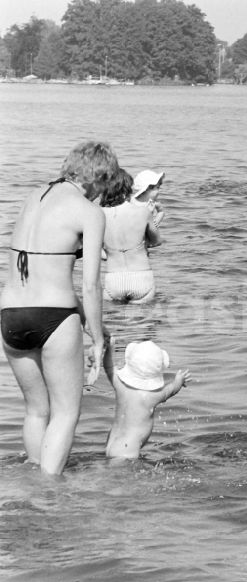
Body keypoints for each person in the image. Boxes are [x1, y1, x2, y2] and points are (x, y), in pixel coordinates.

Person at [1, 141, 117, 474]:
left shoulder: (32, 197)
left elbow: (37, 270)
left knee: (37, 411)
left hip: (10, 315)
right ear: (99, 177)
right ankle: (50, 497)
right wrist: (97, 337)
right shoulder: (88, 212)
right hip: (54, 318)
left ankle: (35, 485)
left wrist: (85, 320)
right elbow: (91, 284)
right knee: (66, 413)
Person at [102, 339, 190, 459]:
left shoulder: (119, 385)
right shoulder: (150, 397)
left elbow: (108, 366)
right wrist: (179, 380)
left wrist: (109, 348)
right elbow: (171, 390)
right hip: (128, 450)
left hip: (110, 444)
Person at [101, 169, 163, 304]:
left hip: (114, 279)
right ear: (127, 190)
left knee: (114, 323)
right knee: (141, 322)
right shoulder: (143, 212)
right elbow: (156, 241)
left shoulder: (99, 214)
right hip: (142, 277)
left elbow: (98, 252)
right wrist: (159, 216)